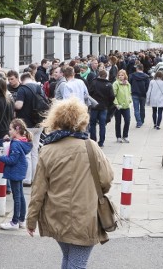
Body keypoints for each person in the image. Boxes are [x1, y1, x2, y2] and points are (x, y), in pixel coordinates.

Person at [26, 97, 113, 268]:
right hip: (85, 216)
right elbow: (107, 180)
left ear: (56, 120)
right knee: (77, 264)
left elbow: (38, 190)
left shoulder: (47, 149)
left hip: (57, 216)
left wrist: (31, 220)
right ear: (82, 120)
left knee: (68, 259)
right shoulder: (91, 146)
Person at [0, 119, 33, 230]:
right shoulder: (22, 141)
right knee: (21, 196)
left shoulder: (16, 144)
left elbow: (12, 160)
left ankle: (15, 222)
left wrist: (1, 158)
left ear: (17, 129)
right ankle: (22, 220)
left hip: (15, 172)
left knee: (16, 197)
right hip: (20, 171)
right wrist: (9, 140)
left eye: (10, 129)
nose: (9, 131)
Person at [88, 70, 115, 147]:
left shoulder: (94, 82)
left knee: (93, 124)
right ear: (106, 76)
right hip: (104, 107)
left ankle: (93, 140)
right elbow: (112, 97)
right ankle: (101, 142)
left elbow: (90, 93)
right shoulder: (109, 84)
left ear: (99, 75)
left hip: (95, 107)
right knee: (102, 124)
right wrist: (108, 104)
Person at [113, 69, 132, 143]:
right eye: (119, 75)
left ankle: (125, 135)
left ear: (125, 76)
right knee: (118, 122)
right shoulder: (116, 83)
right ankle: (118, 136)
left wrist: (130, 100)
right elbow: (113, 95)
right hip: (118, 106)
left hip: (126, 106)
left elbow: (129, 93)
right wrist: (116, 104)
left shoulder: (128, 84)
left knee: (127, 120)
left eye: (122, 75)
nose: (120, 76)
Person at [128, 63, 150, 128]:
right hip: (143, 94)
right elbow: (147, 86)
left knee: (136, 109)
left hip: (135, 93)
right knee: (142, 108)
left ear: (137, 68)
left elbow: (130, 84)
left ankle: (138, 122)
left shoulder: (132, 76)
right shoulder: (146, 76)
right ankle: (142, 120)